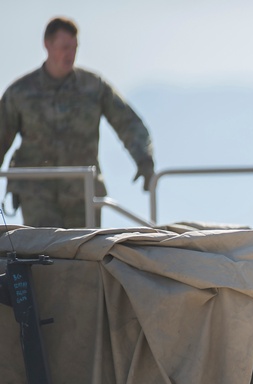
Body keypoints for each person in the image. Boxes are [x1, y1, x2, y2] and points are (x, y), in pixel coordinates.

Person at [0, 16, 154, 229]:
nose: (70, 54)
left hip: (83, 195)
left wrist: (144, 158)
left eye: (74, 47)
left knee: (84, 258)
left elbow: (128, 123)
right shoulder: (20, 93)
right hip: (38, 196)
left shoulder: (93, 87)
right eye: (64, 47)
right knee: (44, 258)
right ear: (47, 45)